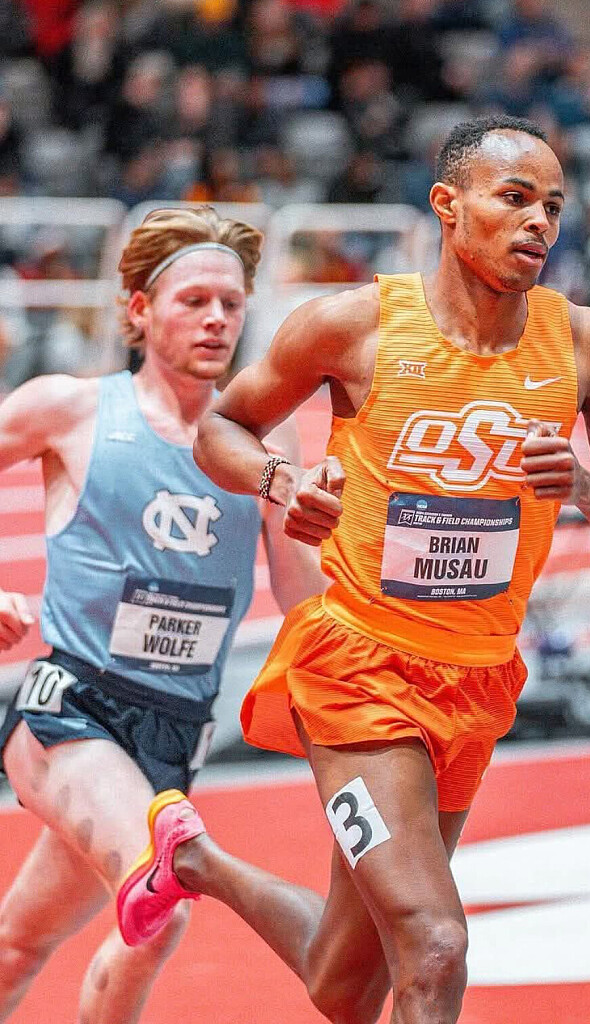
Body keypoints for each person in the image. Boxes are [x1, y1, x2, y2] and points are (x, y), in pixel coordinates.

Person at [118, 115, 590, 1024]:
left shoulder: (587, 348)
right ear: (448, 206)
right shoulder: (354, 326)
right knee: (436, 945)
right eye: (515, 197)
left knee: (346, 985)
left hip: (478, 680)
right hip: (359, 669)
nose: (539, 221)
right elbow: (223, 425)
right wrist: (280, 482)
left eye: (553, 205)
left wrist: (587, 489)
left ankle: (192, 859)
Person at [0, 205, 324, 1024]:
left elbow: (304, 598)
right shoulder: (70, 409)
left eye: (232, 303)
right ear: (140, 310)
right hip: (70, 709)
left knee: (18, 944)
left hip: (173, 736)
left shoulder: (264, 443)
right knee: (161, 899)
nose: (217, 319)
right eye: (194, 301)